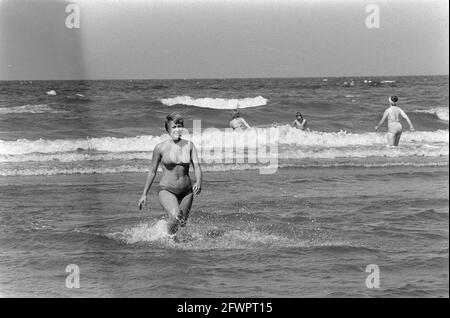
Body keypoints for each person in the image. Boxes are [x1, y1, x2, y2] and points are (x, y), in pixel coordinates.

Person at [138, 113, 202, 235]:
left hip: (187, 192)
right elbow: (152, 171)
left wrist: (199, 181)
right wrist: (144, 194)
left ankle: (171, 242)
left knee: (181, 222)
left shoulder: (189, 145)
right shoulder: (160, 148)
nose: (177, 129)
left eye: (179, 126)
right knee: (176, 216)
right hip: (167, 190)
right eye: (174, 127)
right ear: (168, 130)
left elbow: (197, 166)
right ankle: (167, 238)